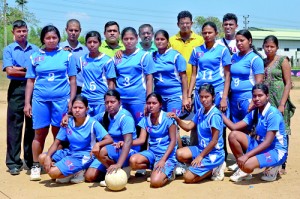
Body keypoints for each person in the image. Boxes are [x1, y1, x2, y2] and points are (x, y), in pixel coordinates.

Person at [24, 25, 77, 181]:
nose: (51, 40)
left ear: (58, 39)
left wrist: (71, 101)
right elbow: (30, 82)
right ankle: (35, 165)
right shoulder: (35, 56)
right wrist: (27, 103)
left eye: (54, 38)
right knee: (39, 133)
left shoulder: (67, 56)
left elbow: (73, 80)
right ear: (43, 40)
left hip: (61, 100)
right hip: (40, 100)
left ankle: (57, 163)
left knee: (58, 134)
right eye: (48, 38)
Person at [38, 95, 113, 183]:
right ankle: (69, 171)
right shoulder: (67, 122)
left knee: (53, 173)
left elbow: (109, 139)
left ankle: (78, 171)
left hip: (84, 156)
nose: (77, 110)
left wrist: (98, 144)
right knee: (42, 157)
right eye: (75, 107)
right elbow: (56, 143)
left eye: (80, 108)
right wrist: (48, 157)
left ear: (87, 109)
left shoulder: (93, 123)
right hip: (70, 152)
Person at [223, 83, 288, 182]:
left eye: (260, 95)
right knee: (233, 135)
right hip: (261, 146)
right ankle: (244, 170)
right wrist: (219, 113)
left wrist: (246, 156)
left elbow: (268, 142)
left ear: (267, 96)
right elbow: (234, 127)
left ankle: (272, 167)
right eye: (254, 96)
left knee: (247, 165)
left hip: (276, 151)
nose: (257, 98)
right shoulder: (255, 112)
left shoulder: (273, 114)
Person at [188, 21, 231, 163]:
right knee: (198, 123)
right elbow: (194, 74)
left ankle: (221, 158)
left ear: (216, 34)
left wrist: (224, 97)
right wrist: (189, 95)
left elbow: (227, 74)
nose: (207, 35)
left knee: (218, 125)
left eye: (210, 32)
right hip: (201, 93)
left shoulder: (222, 50)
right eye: (204, 33)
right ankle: (196, 155)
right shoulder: (196, 50)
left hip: (217, 92)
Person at [169, 84, 225, 183]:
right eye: (201, 97)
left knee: (188, 178)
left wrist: (200, 156)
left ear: (213, 97)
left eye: (207, 97)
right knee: (179, 154)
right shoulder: (200, 111)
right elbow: (188, 127)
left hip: (213, 153)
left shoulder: (215, 115)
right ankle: (199, 168)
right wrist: (177, 119)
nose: (204, 100)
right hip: (201, 148)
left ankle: (215, 169)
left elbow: (214, 141)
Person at [2, 20, 38, 175]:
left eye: (24, 31)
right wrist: (28, 70)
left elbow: (38, 70)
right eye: (19, 31)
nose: (22, 34)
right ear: (13, 33)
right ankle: (13, 162)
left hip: (34, 88)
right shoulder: (9, 49)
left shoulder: (35, 49)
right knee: (14, 126)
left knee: (32, 125)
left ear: (27, 30)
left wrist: (20, 69)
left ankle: (30, 161)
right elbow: (10, 72)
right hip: (16, 89)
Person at [85, 90, 140, 185]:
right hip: (111, 151)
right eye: (106, 102)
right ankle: (111, 171)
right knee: (89, 176)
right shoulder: (104, 115)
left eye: (112, 102)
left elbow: (128, 142)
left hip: (127, 151)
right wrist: (69, 117)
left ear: (119, 102)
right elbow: (87, 121)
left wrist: (118, 164)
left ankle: (119, 170)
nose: (109, 105)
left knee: (101, 151)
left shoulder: (125, 117)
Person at [228, 29, 264, 171]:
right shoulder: (234, 57)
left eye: (242, 40)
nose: (239, 43)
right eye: (237, 41)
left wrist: (253, 102)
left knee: (248, 131)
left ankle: (248, 163)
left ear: (250, 41)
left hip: (246, 99)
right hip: (233, 100)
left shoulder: (255, 59)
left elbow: (258, 84)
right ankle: (240, 162)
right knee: (236, 130)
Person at [263, 35, 296, 174]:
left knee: (282, 130)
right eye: (267, 46)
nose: (269, 49)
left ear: (277, 47)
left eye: (272, 46)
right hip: (267, 101)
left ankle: (283, 163)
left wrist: (282, 103)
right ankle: (271, 160)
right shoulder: (262, 61)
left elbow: (288, 83)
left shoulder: (283, 60)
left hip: (280, 100)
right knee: (268, 130)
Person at [129, 92, 177, 188]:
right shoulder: (146, 119)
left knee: (155, 182)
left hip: (166, 155)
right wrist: (126, 143)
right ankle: (155, 168)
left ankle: (170, 172)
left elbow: (173, 141)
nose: (151, 106)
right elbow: (141, 140)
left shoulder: (168, 118)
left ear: (160, 105)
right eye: (149, 103)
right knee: (133, 161)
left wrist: (163, 160)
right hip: (152, 153)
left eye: (154, 103)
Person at [113, 27, 155, 125]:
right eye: (126, 39)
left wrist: (148, 101)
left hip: (138, 99)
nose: (129, 41)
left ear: (136, 38)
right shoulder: (117, 57)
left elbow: (149, 79)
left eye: (131, 38)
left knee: (140, 126)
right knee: (123, 126)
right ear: (121, 40)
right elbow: (113, 79)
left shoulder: (145, 56)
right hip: (121, 99)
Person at [79, 31, 116, 116]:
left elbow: (111, 82)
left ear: (100, 43)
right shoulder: (82, 59)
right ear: (86, 44)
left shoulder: (107, 60)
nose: (92, 44)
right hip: (86, 98)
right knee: (86, 125)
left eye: (95, 42)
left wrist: (109, 100)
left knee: (101, 125)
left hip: (101, 99)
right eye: (89, 42)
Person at [169, 10, 204, 86]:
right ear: (178, 24)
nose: (185, 25)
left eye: (187, 23)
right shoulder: (171, 41)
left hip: (196, 83)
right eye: (182, 23)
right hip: (176, 83)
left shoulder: (200, 40)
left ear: (191, 23)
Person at [60, 19, 88, 94]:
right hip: (63, 87)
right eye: (71, 30)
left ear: (80, 31)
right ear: (66, 30)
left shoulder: (86, 51)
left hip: (81, 88)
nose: (73, 33)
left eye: (76, 30)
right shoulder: (59, 48)